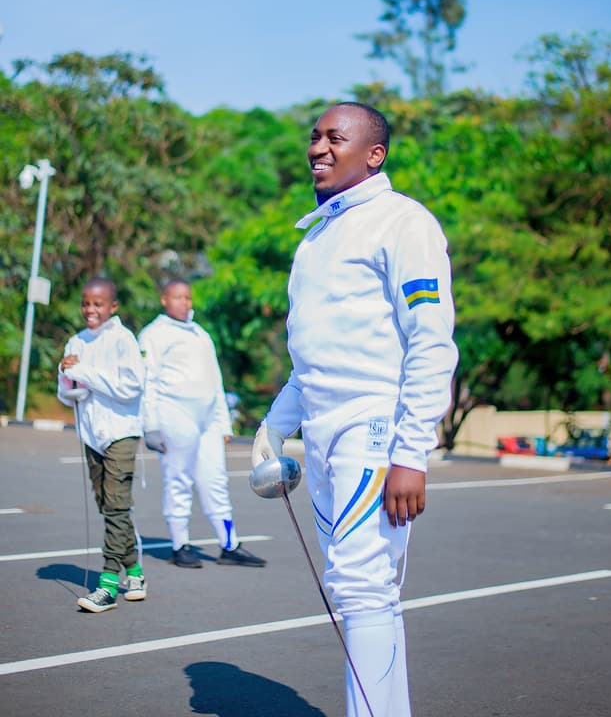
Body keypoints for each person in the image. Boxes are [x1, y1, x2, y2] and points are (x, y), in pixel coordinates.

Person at [251, 102, 459, 717]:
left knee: (362, 586)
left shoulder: (403, 222)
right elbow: (312, 361)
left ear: (374, 153)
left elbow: (431, 342)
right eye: (314, 136)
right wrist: (273, 427)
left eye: (334, 137)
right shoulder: (315, 236)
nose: (317, 146)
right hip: (321, 430)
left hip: (373, 424)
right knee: (362, 592)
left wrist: (411, 451)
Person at [140, 279, 265, 569]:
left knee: (215, 479)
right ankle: (180, 544)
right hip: (174, 414)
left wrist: (223, 424)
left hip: (208, 418)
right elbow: (148, 382)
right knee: (179, 479)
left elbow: (215, 381)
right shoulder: (153, 335)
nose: (184, 302)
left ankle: (230, 544)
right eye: (177, 297)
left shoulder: (200, 334)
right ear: (164, 300)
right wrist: (151, 425)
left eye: (187, 297)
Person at [57, 277, 146, 614]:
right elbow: (69, 394)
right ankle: (135, 572)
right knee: (106, 505)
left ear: (113, 307)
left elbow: (130, 387)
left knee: (117, 506)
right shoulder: (75, 341)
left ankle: (108, 584)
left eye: (98, 304)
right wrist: (67, 376)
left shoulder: (124, 340)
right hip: (91, 434)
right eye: (86, 303)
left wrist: (86, 373)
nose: (90, 310)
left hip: (121, 432)